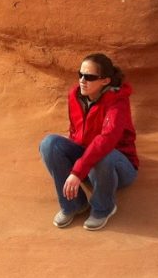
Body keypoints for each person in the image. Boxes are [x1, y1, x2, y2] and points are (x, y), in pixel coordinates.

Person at [39, 53, 138, 231]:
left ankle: (103, 207)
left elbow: (107, 140)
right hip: (87, 162)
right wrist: (72, 160)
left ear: (105, 81)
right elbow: (75, 130)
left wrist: (77, 172)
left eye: (90, 77)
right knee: (49, 144)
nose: (83, 80)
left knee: (103, 153)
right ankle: (74, 204)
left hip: (118, 167)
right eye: (81, 74)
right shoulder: (75, 95)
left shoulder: (118, 103)